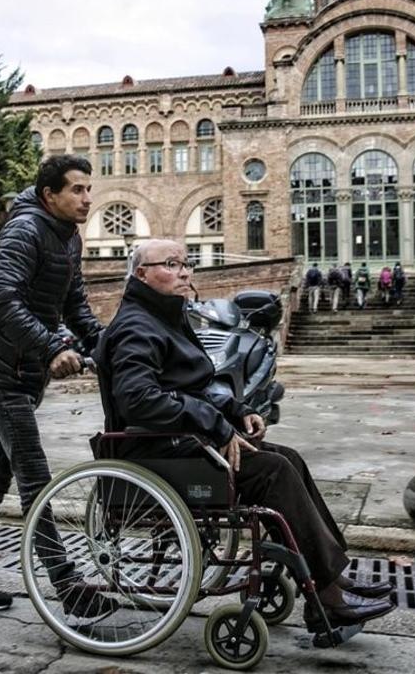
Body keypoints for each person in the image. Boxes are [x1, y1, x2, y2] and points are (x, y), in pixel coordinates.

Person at [96, 239, 396, 630]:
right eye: (171, 264)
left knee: (288, 458)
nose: (185, 271)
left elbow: (193, 385)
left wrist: (238, 411)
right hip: (158, 452)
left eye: (187, 264)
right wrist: (215, 424)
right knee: (273, 471)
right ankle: (326, 594)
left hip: (183, 443)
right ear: (141, 274)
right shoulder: (137, 326)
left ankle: (332, 575)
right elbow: (140, 400)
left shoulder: (165, 317)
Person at [0, 154, 113, 621]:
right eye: (76, 190)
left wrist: (108, 347)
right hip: (1, 375)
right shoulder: (24, 231)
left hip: (24, 373)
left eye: (88, 189)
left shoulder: (68, 238)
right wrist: (51, 347)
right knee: (34, 478)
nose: (87, 198)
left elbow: (74, 302)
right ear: (49, 195)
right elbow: (0, 303)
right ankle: (68, 587)